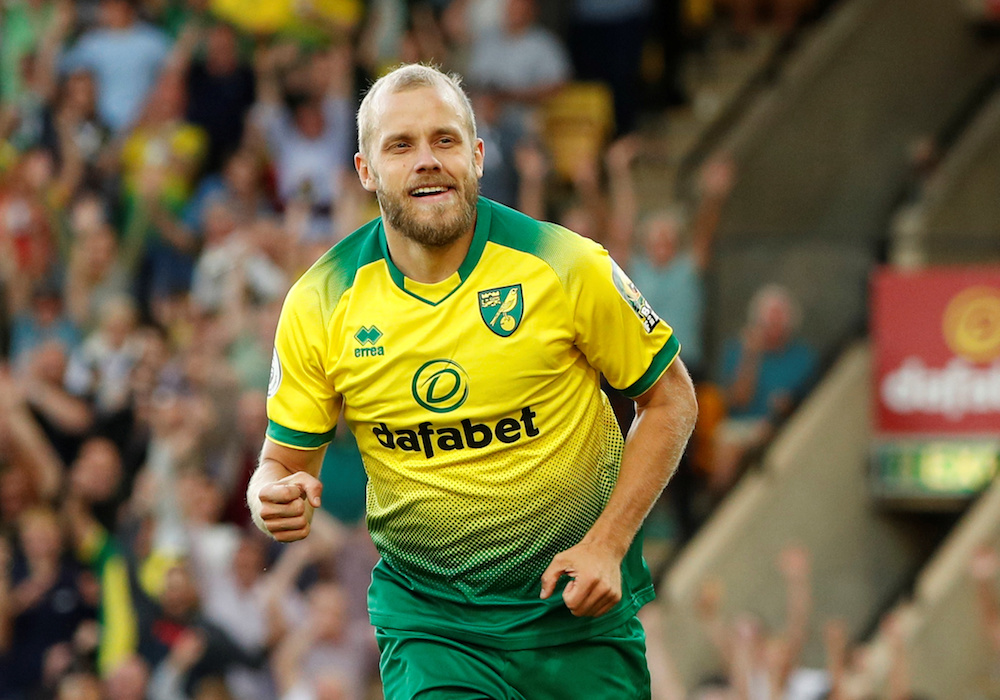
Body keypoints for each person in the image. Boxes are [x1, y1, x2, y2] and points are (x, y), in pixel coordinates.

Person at [247, 63, 698, 698]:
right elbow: (280, 465)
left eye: (445, 140)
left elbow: (670, 396)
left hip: (574, 614)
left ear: (478, 156)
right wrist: (270, 495)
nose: (427, 160)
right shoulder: (320, 300)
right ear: (364, 171)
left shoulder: (565, 265)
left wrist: (609, 543)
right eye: (400, 146)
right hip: (435, 626)